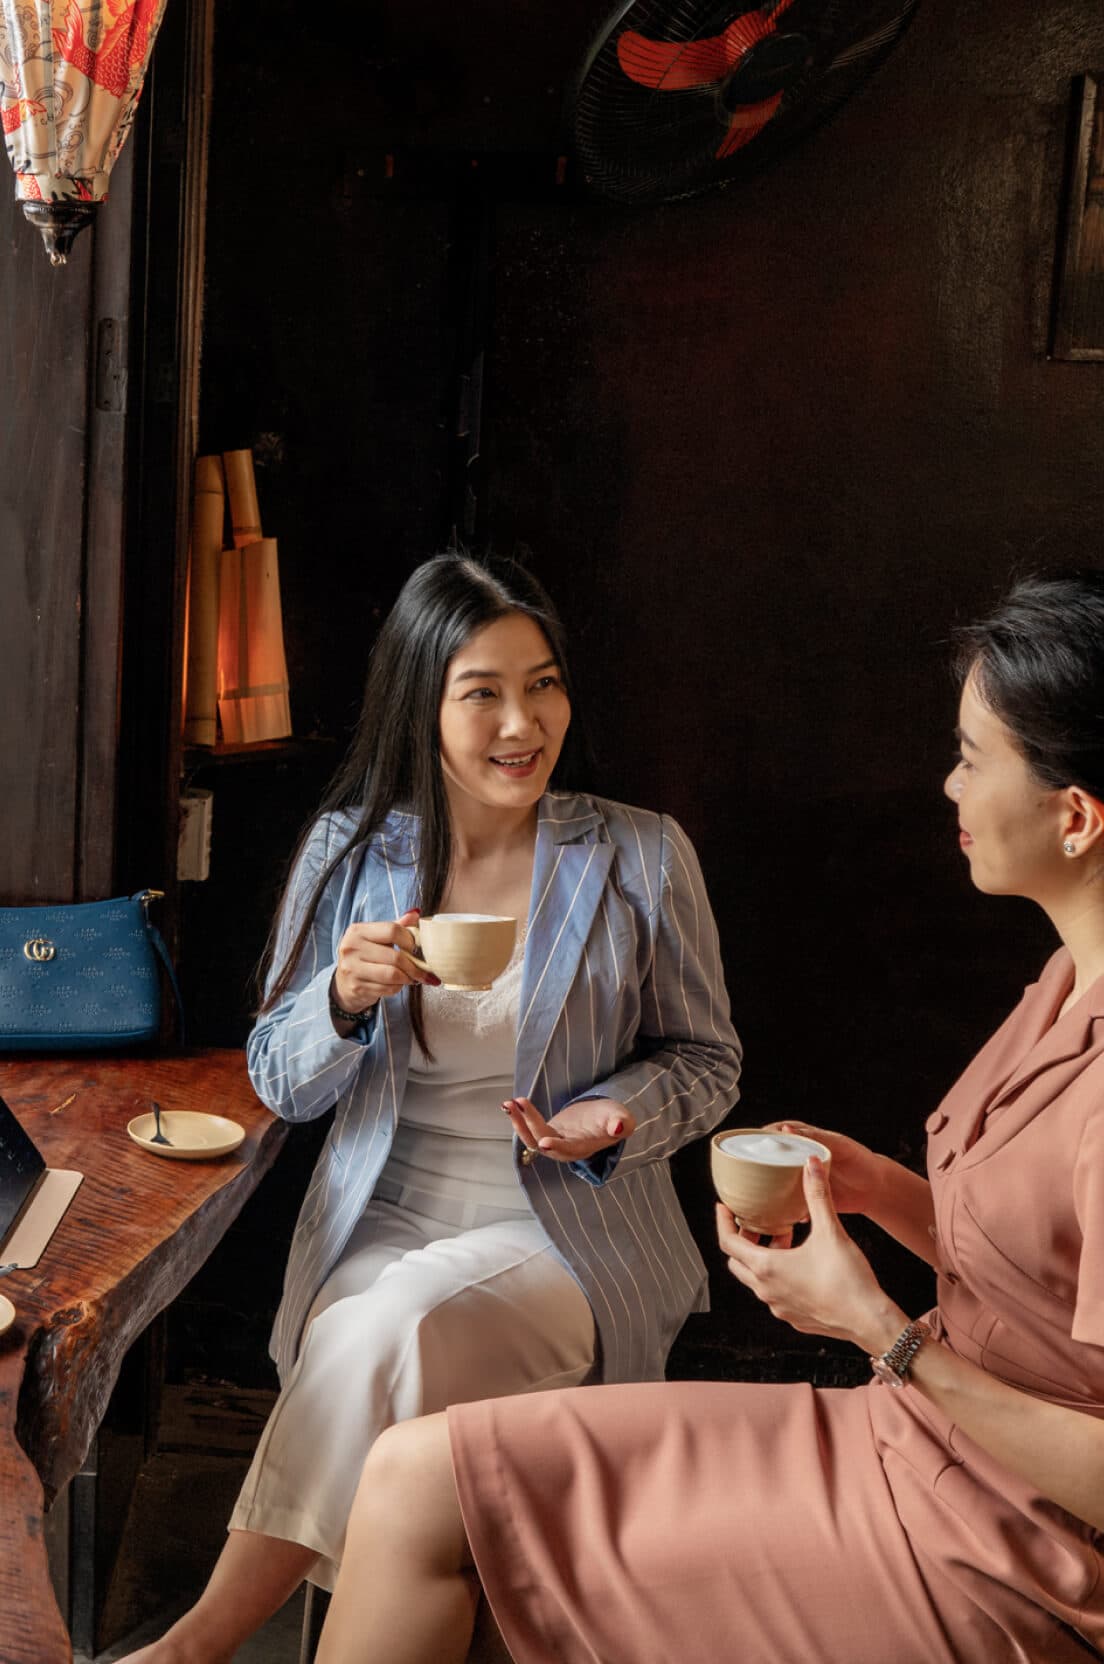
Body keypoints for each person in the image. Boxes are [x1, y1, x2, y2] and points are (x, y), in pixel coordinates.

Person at [310, 570, 1104, 1664]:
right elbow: (1047, 1282)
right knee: (412, 1477)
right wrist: (879, 1187)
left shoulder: (634, 851)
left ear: (1075, 812)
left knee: (439, 1479)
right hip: (915, 1435)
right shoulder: (1068, 978)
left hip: (1004, 1539)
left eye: (972, 757)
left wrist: (881, 1331)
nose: (947, 784)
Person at [122, 552, 740, 1664]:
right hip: (382, 1215)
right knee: (386, 1353)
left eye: (542, 683)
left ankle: (190, 1647)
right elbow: (278, 1078)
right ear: (424, 703)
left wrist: (613, 1112)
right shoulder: (351, 852)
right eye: (483, 691)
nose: (524, 720)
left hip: (566, 1229)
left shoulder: (640, 852)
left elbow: (705, 1057)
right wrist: (342, 1002)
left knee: (387, 1328)